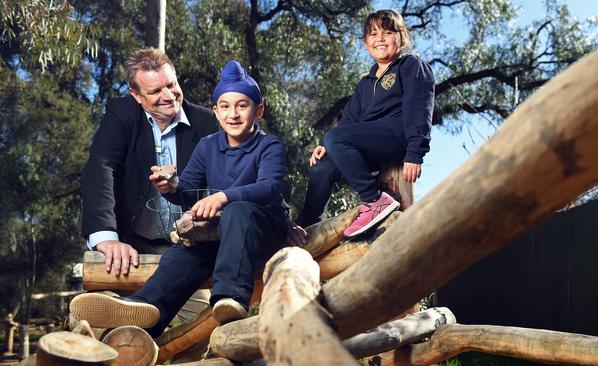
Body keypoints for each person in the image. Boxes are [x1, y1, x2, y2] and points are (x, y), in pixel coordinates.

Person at [71, 60, 289, 339]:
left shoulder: (269, 145)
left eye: (242, 106)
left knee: (238, 212)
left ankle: (230, 299)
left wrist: (226, 198)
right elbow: (186, 191)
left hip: (257, 231)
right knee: (181, 255)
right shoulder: (208, 144)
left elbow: (270, 187)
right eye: (225, 107)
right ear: (217, 112)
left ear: (258, 111)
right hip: (219, 233)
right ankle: (144, 311)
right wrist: (170, 187)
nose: (233, 114)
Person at [79, 47, 219, 361]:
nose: (168, 95)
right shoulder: (121, 114)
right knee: (96, 328)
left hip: (189, 249)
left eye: (172, 85)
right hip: (132, 244)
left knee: (197, 337)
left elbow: (242, 169)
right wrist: (106, 238)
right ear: (136, 95)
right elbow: (100, 167)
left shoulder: (209, 122)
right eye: (155, 91)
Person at [300, 9, 435, 237]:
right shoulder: (365, 83)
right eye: (373, 34)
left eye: (388, 32)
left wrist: (415, 152)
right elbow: (349, 121)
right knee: (322, 167)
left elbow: (419, 108)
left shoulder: (411, 65)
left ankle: (373, 200)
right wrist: (325, 144)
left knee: (336, 138)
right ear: (365, 44)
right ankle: (306, 232)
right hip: (370, 142)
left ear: (401, 38)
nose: (380, 38)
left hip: (398, 134)